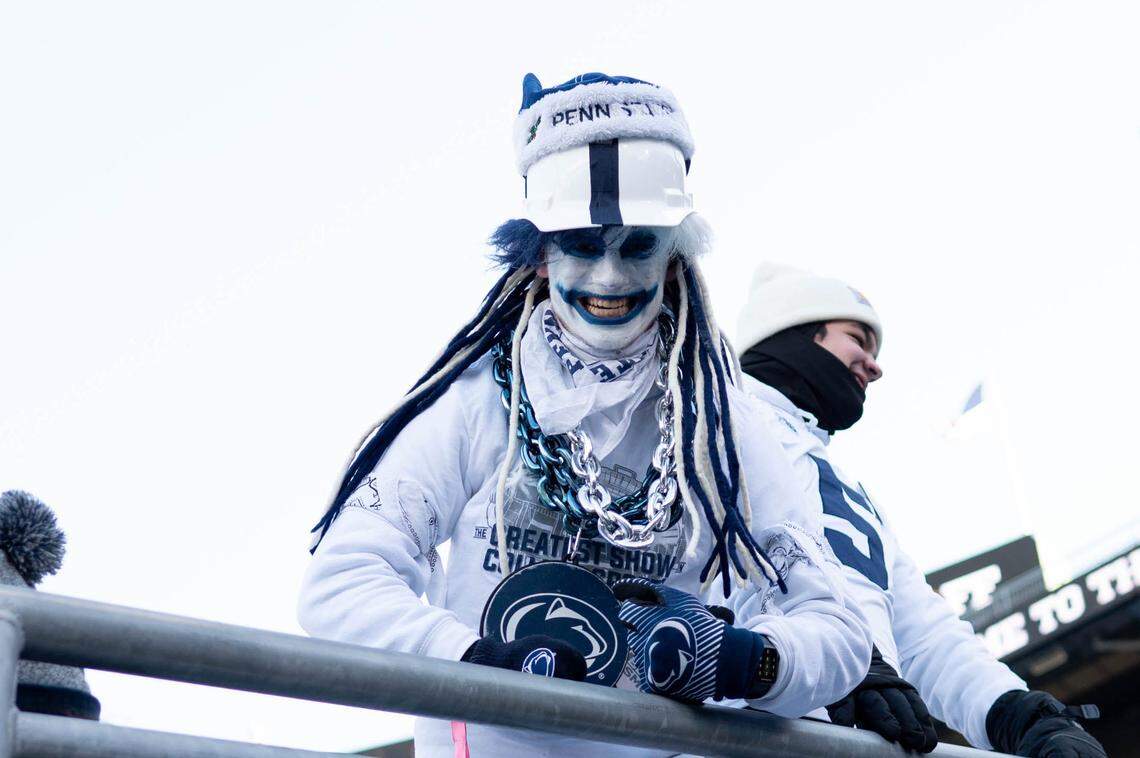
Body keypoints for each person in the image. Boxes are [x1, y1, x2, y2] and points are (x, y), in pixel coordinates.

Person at [298, 73, 871, 757]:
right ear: (538, 253)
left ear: (676, 254)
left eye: (636, 246)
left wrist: (749, 660)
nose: (608, 277)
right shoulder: (475, 399)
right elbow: (341, 583)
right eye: (581, 243)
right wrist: (477, 663)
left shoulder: (724, 427)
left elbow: (836, 626)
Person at [734, 263, 1107, 756]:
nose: (874, 364)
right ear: (796, 332)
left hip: (855, 742)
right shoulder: (707, 419)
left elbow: (923, 636)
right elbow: (700, 578)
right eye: (858, 339)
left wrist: (1021, 715)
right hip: (740, 732)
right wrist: (827, 660)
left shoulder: (850, 491)